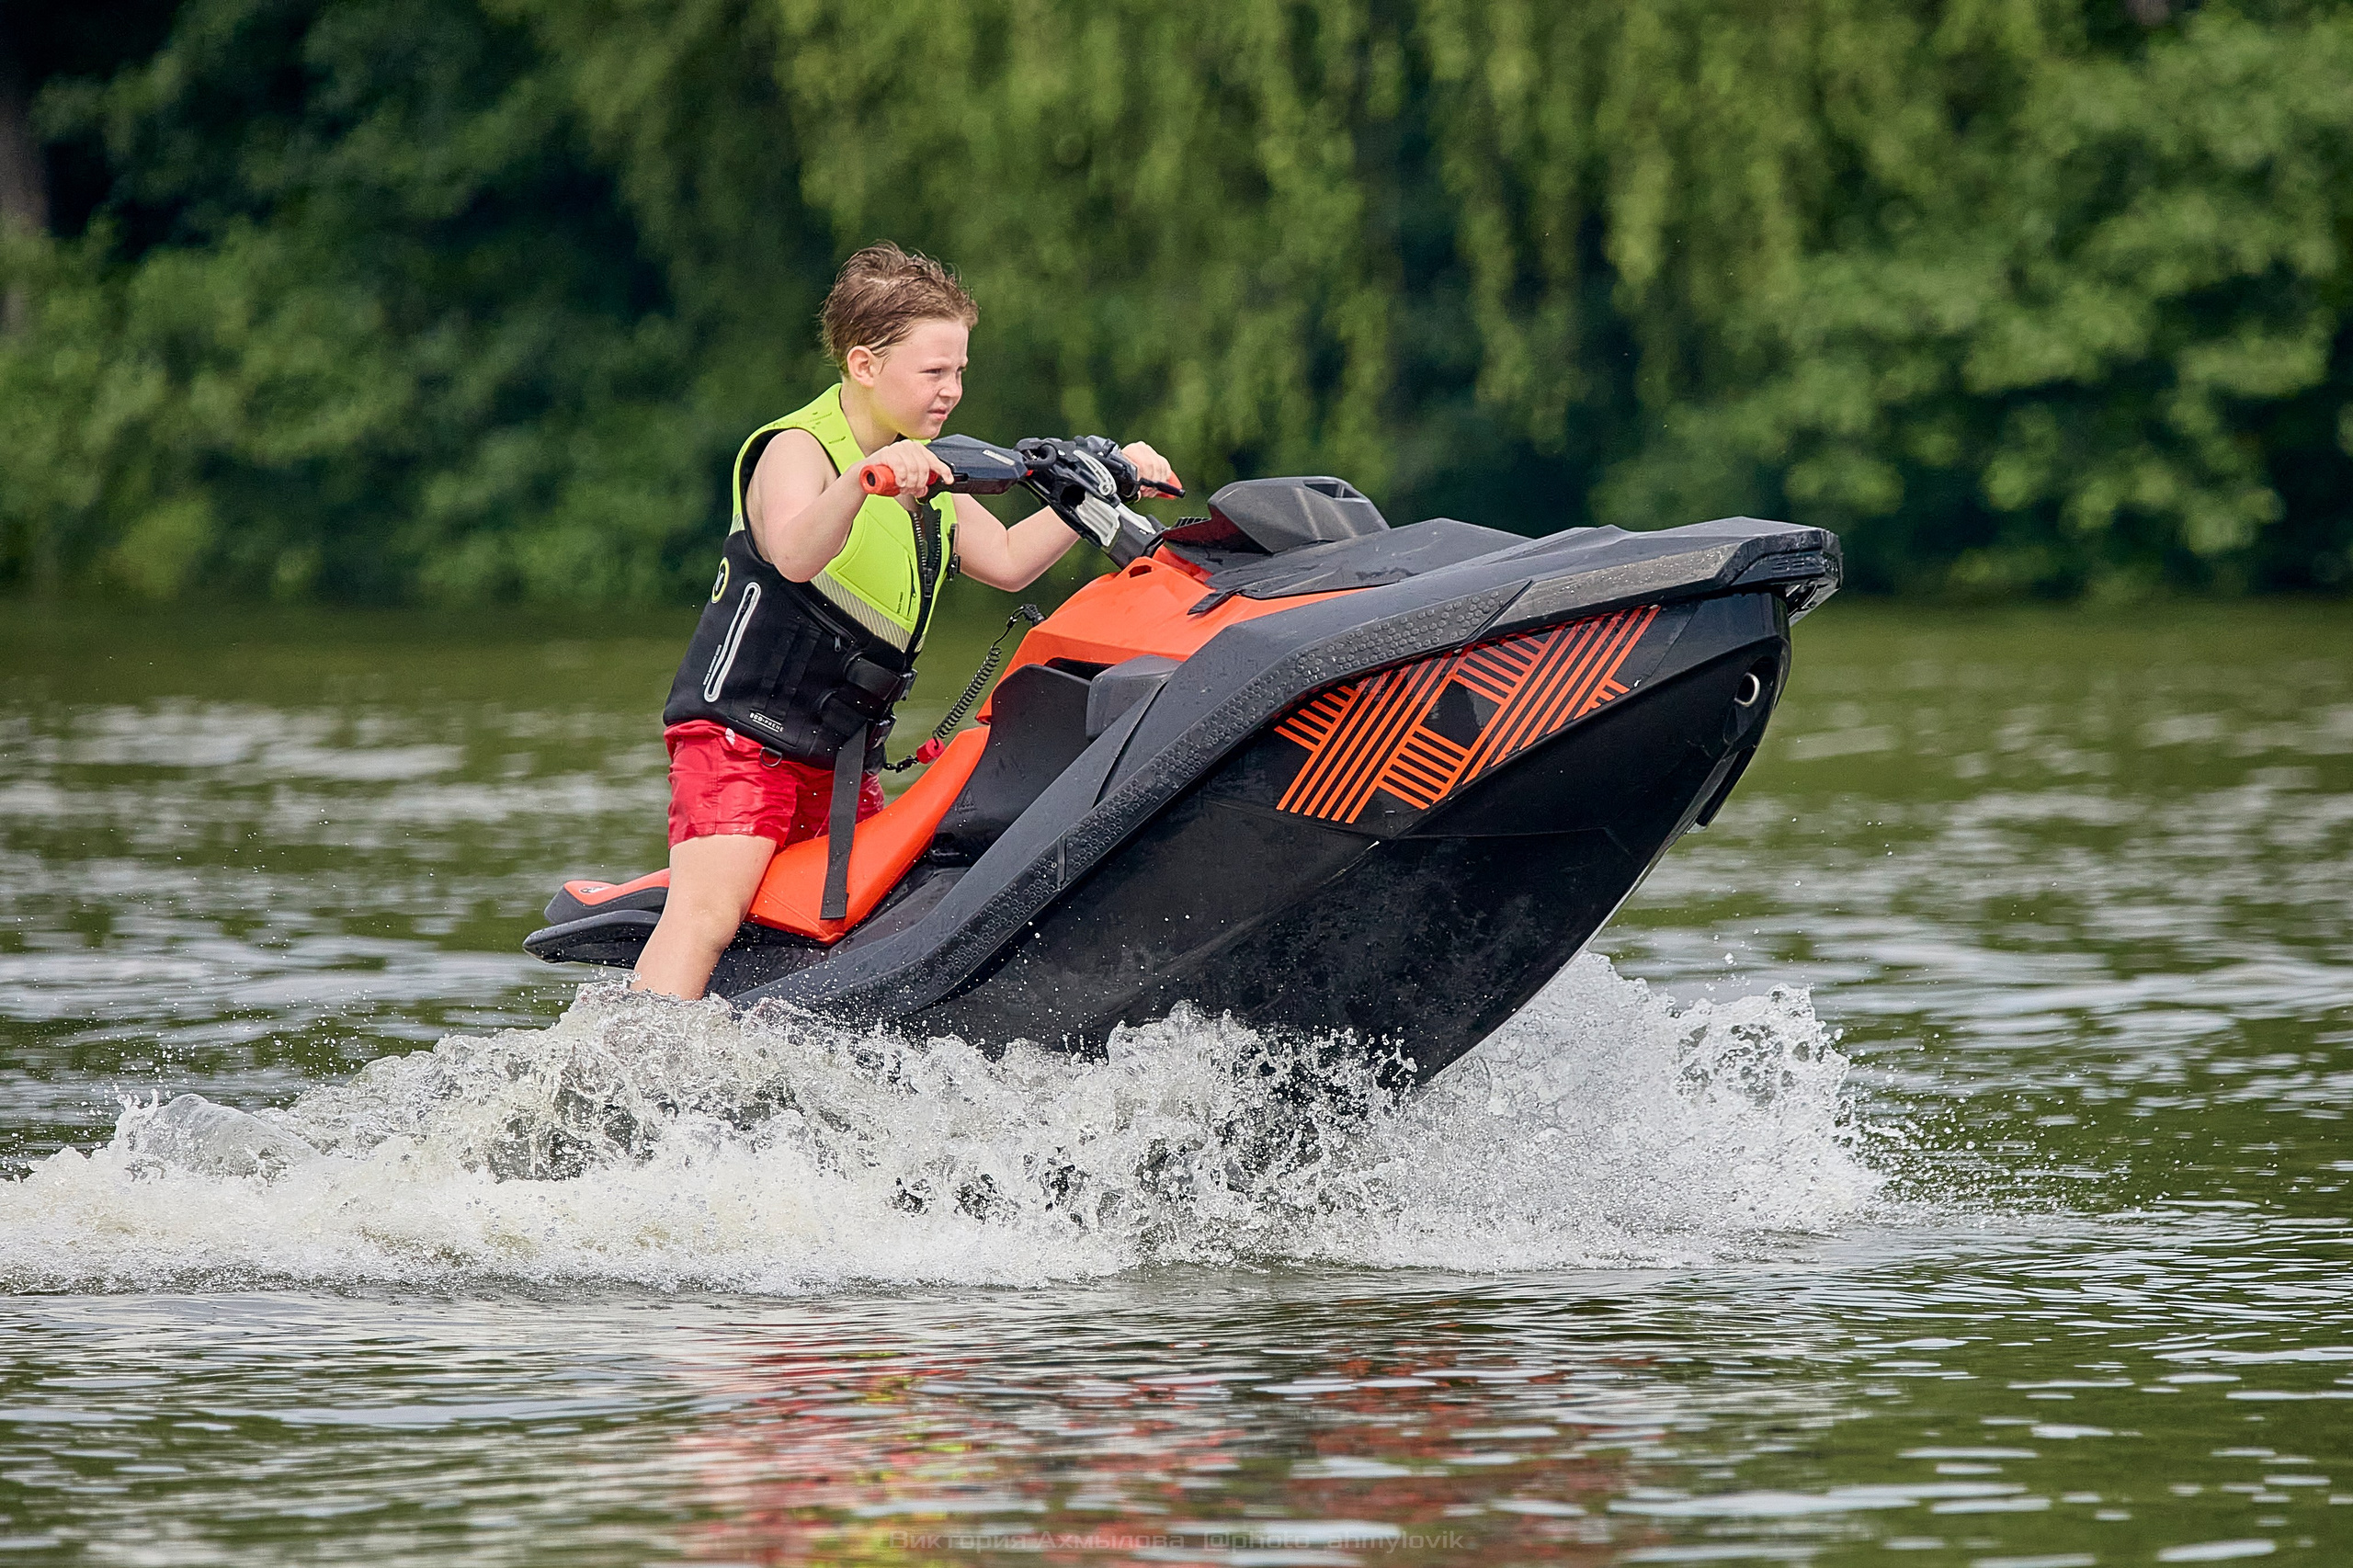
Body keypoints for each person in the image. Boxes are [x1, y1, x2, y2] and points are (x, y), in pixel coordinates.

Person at [631, 243, 1177, 1000]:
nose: (952, 390)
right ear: (863, 366)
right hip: (740, 739)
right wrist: (863, 481)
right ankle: (627, 1080)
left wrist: (1102, 488)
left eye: (959, 371)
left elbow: (1013, 560)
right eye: (933, 372)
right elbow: (792, 552)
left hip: (839, 754)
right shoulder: (798, 451)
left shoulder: (922, 465)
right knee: (708, 916)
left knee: (855, 928)